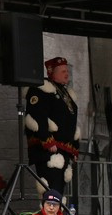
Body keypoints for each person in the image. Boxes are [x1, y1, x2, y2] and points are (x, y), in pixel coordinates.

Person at [25, 57, 79, 196]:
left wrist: (74, 147)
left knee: (60, 190)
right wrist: (47, 140)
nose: (66, 74)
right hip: (49, 150)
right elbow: (37, 117)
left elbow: (71, 122)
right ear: (52, 73)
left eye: (67, 70)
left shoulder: (66, 93)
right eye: (62, 71)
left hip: (64, 150)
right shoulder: (41, 90)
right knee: (50, 190)